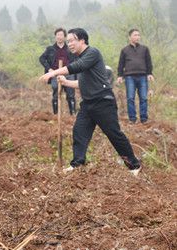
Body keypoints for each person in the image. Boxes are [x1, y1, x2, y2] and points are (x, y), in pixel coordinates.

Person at [40, 28, 141, 175]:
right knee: (79, 132)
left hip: (103, 102)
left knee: (114, 134)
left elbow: (77, 67)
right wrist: (66, 82)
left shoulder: (92, 53)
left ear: (82, 40)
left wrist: (53, 72)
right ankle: (77, 164)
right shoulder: (81, 58)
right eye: (67, 42)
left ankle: (134, 165)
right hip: (88, 104)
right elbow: (83, 83)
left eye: (72, 41)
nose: (69, 44)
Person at [117, 29, 154, 123]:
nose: (137, 37)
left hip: (142, 76)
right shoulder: (124, 50)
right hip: (129, 77)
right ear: (130, 37)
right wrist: (120, 75)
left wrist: (149, 73)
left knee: (144, 98)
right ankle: (132, 119)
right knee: (130, 98)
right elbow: (121, 64)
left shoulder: (145, 49)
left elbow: (148, 62)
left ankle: (144, 119)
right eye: (135, 35)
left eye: (138, 35)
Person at [39, 28, 77, 115]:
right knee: (56, 92)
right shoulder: (50, 49)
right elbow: (41, 58)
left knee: (71, 94)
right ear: (55, 36)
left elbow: (76, 60)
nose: (59, 37)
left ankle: (73, 113)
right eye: (57, 35)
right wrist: (49, 69)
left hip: (68, 73)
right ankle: (56, 114)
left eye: (61, 35)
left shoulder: (69, 49)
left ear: (65, 37)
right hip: (55, 74)